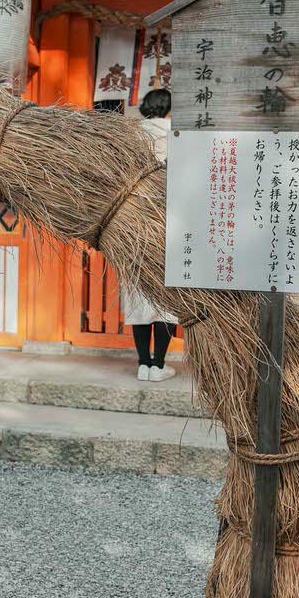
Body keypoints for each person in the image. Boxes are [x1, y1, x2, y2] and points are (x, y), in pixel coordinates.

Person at [121, 88, 178, 382]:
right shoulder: (177, 134)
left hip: (130, 225)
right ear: (170, 108)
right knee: (165, 300)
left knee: (138, 295)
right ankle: (159, 365)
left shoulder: (129, 134)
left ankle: (142, 364)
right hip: (167, 224)